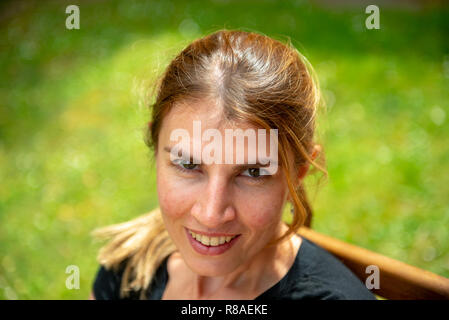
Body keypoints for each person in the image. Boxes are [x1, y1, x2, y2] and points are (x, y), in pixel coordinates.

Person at [90, 30, 376, 300]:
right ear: (156, 152)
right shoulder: (131, 267)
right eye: (189, 164)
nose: (212, 214)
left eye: (253, 173)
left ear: (297, 175)